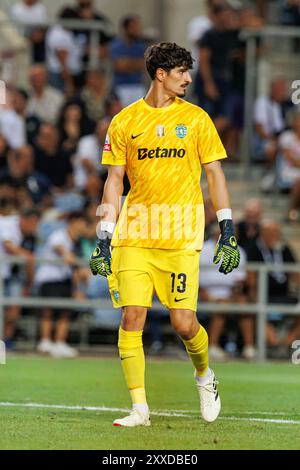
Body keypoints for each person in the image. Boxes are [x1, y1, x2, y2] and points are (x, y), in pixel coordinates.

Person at [89, 42, 240, 427]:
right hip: (135, 235)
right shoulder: (124, 122)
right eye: (181, 72)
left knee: (183, 324)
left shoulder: (197, 120)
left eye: (189, 72)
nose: (188, 78)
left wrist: (227, 227)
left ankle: (205, 376)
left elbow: (215, 175)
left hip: (181, 236)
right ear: (161, 74)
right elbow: (114, 181)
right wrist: (104, 234)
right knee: (132, 317)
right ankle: (140, 408)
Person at [35, 211, 87, 358]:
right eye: (81, 223)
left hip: (64, 279)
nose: (83, 226)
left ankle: (59, 343)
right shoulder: (59, 235)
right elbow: (58, 248)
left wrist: (79, 288)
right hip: (49, 278)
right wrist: (66, 254)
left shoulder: (76, 241)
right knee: (48, 310)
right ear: (74, 222)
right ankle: (45, 342)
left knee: (65, 311)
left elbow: (75, 267)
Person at [0, 208, 40, 349]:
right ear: (23, 220)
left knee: (14, 308)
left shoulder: (30, 237)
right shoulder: (7, 224)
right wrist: (27, 256)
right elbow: (8, 245)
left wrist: (29, 284)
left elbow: (29, 263)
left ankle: (7, 341)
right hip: (2, 273)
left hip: (14, 275)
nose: (34, 227)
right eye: (32, 223)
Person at [110, 15, 147, 107]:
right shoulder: (116, 45)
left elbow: (145, 65)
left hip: (138, 86)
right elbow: (119, 66)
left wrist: (128, 63)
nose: (137, 30)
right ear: (126, 28)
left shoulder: (141, 46)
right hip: (121, 87)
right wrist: (136, 63)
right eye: (134, 27)